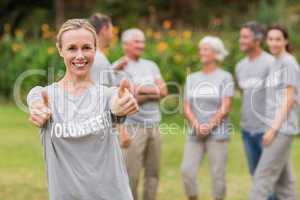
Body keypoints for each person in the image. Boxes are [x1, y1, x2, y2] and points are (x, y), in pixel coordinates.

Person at [27, 19, 139, 200]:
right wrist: (37, 107)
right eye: (72, 48)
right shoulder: (47, 97)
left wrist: (123, 104)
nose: (80, 55)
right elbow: (35, 95)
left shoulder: (107, 95)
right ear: (60, 50)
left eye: (86, 47)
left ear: (95, 49)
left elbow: (117, 103)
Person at [113, 28, 168, 200]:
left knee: (153, 172)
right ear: (125, 45)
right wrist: (152, 92)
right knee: (131, 174)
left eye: (143, 41)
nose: (141, 45)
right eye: (137, 41)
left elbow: (164, 90)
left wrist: (139, 91)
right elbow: (127, 98)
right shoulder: (117, 68)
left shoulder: (151, 65)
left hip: (154, 125)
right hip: (132, 127)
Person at [181, 36, 234, 200]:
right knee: (187, 171)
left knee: (218, 175)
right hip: (195, 133)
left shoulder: (225, 77)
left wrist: (209, 126)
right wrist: (197, 125)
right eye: (201, 49)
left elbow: (226, 106)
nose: (201, 52)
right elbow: (186, 106)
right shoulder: (192, 78)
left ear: (215, 53)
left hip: (218, 133)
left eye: (205, 49)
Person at [249, 25, 299, 200]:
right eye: (271, 39)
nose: (274, 43)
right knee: (285, 183)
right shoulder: (275, 62)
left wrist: (272, 129)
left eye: (278, 39)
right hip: (275, 127)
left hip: (281, 129)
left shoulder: (288, 63)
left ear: (285, 41)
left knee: (261, 177)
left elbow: (289, 98)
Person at [235, 21, 276, 200]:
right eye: (241, 36)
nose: (241, 40)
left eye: (245, 37)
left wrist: (272, 128)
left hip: (266, 131)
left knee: (268, 179)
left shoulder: (271, 63)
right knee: (255, 175)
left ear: (257, 40)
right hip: (247, 130)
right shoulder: (240, 66)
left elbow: (278, 99)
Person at [88, 12, 127, 86]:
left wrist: (114, 69)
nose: (112, 35)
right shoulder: (98, 58)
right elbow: (102, 91)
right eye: (111, 31)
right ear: (104, 30)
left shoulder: (94, 55)